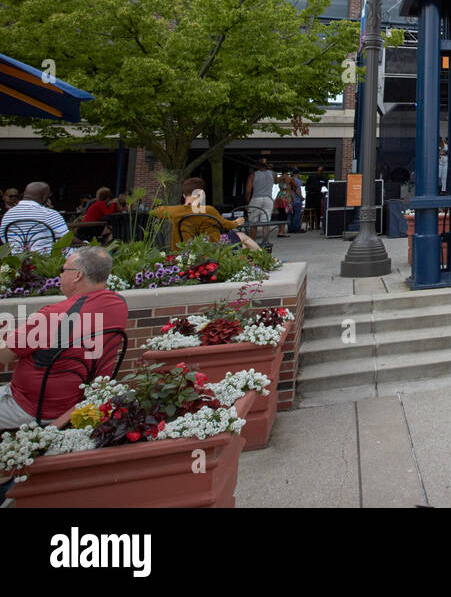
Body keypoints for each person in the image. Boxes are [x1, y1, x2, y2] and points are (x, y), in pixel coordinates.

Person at [0, 246, 128, 427]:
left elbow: (5, 354)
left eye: (63, 269)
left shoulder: (53, 315)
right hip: (78, 403)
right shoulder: (118, 305)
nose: (60, 275)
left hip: (30, 408)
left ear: (77, 275)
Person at [152, 177, 259, 251]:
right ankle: (265, 260)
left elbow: (156, 211)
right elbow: (225, 225)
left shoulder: (174, 211)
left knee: (240, 243)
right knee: (242, 237)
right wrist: (236, 222)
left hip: (183, 250)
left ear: (184, 195)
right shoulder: (208, 210)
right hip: (211, 249)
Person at [0, 182, 69, 253]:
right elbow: (67, 238)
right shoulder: (49, 214)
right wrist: (81, 243)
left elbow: (4, 239)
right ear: (45, 196)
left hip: (18, 260)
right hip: (45, 260)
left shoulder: (8, 215)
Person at [245, 157, 275, 229]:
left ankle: (252, 239)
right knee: (266, 221)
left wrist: (247, 202)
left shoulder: (252, 175)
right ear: (267, 165)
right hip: (268, 199)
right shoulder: (273, 174)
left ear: (257, 165)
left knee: (253, 222)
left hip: (256, 198)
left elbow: (248, 191)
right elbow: (276, 181)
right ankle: (265, 239)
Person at [285, 169, 305, 233]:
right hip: (296, 200)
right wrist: (301, 197)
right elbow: (297, 190)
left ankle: (290, 228)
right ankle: (296, 228)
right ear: (298, 174)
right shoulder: (297, 181)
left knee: (290, 215)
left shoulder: (288, 179)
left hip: (289, 200)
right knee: (297, 214)